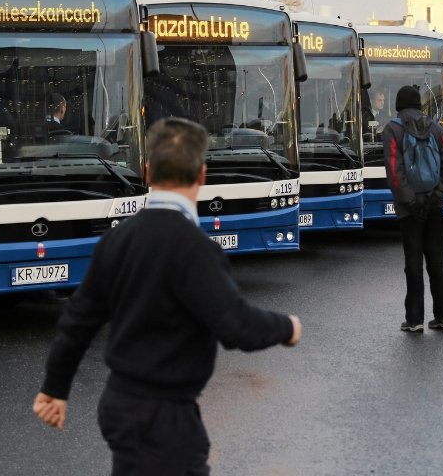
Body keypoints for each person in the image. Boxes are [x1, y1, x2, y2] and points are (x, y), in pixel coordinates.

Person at [32, 117, 302, 474]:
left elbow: (77, 321)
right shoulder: (196, 249)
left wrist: (55, 389)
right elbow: (236, 326)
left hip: (120, 405)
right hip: (166, 417)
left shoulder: (117, 240)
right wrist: (287, 327)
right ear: (202, 175)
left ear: (146, 171)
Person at [382, 85, 443, 332]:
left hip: (409, 207)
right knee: (438, 259)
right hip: (435, 204)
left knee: (412, 261)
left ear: (399, 105)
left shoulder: (393, 129)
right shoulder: (436, 128)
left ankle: (414, 320)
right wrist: (436, 196)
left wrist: (411, 200)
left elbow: (394, 171)